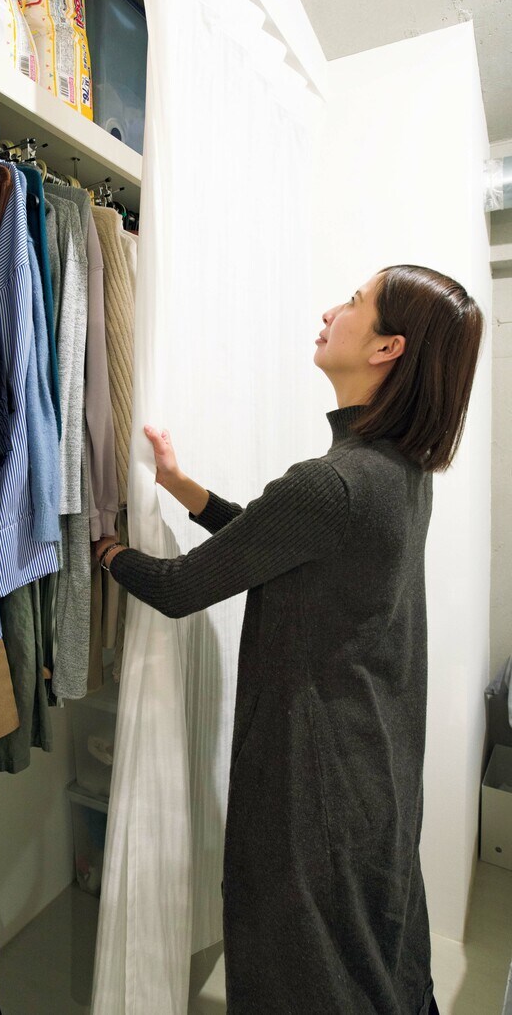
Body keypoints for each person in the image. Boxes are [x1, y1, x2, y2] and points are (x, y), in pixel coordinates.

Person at [95, 265, 484, 1015]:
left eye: (355, 302)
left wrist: (107, 552)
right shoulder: (396, 472)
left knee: (305, 972)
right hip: (375, 765)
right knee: (370, 959)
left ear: (387, 348)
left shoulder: (334, 483)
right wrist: (182, 488)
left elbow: (179, 589)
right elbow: (276, 539)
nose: (332, 311)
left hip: (314, 779)